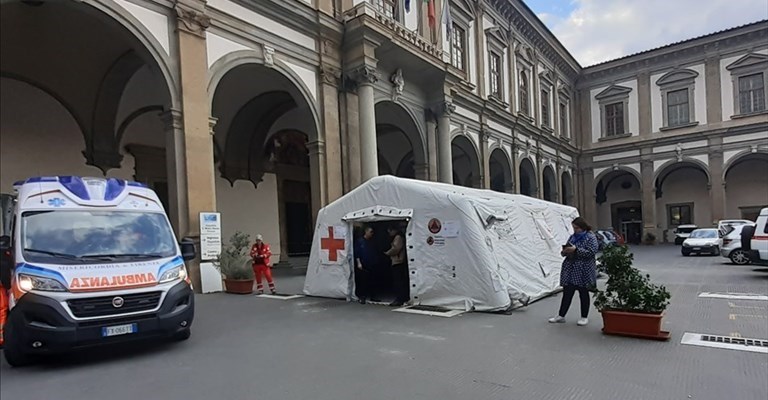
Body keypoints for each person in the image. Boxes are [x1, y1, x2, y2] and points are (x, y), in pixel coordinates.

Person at [549, 217, 598, 326]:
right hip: (571, 269)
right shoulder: (573, 237)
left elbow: (591, 252)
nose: (575, 230)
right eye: (574, 228)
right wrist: (565, 251)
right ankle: (561, 315)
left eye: (576, 228)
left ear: (582, 227)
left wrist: (576, 250)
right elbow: (566, 250)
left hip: (583, 269)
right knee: (567, 293)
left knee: (583, 293)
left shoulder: (590, 237)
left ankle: (584, 317)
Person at [354, 226, 380, 304]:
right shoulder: (360, 241)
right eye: (370, 232)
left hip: (372, 263)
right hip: (363, 264)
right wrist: (359, 263)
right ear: (366, 232)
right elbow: (357, 253)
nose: (372, 234)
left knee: (373, 281)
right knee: (363, 281)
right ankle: (363, 297)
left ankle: (373, 296)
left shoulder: (372, 242)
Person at [384, 225, 408, 307]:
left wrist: (387, 253)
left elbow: (396, 249)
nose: (389, 234)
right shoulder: (400, 237)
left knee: (398, 281)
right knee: (400, 280)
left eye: (390, 231)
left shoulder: (398, 237)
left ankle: (399, 299)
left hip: (398, 261)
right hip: (399, 260)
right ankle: (402, 297)